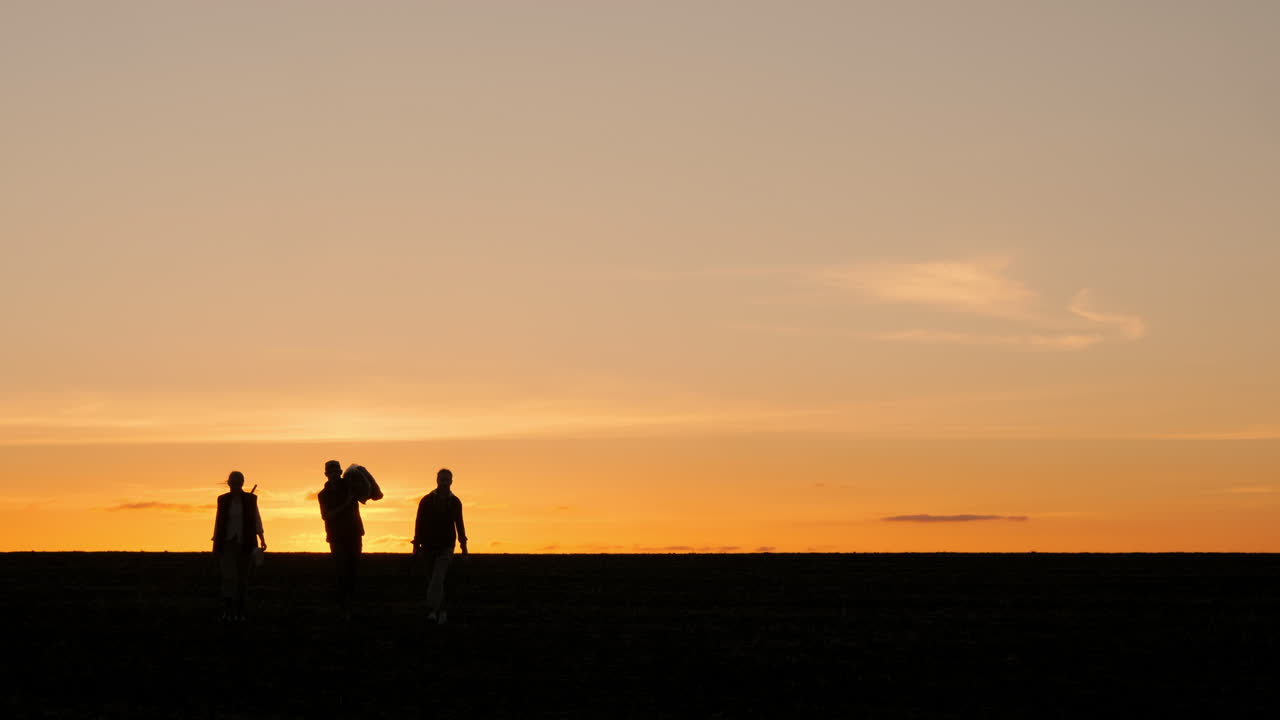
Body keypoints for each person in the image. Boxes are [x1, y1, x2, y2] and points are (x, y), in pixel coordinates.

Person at [413, 468, 468, 624]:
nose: (444, 482)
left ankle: (432, 611)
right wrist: (416, 545)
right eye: (442, 479)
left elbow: (460, 524)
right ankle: (441, 611)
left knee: (437, 577)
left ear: (451, 482)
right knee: (434, 580)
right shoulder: (426, 500)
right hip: (428, 546)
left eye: (447, 480)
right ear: (437, 480)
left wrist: (463, 546)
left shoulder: (455, 502)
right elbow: (419, 523)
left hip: (446, 546)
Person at [211, 471, 265, 621]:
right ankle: (228, 612)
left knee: (242, 579)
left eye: (238, 482)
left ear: (242, 483)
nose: (235, 485)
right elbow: (218, 521)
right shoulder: (222, 500)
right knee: (228, 579)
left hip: (245, 543)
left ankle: (240, 612)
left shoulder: (250, 500)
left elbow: (257, 519)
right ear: (229, 483)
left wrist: (261, 538)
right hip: (227, 544)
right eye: (233, 482)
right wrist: (215, 540)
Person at [317, 459, 365, 619]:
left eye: (336, 471)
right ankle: (344, 606)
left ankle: (351, 604)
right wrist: (346, 503)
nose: (334, 474)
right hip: (336, 537)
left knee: (354, 570)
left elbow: (372, 493)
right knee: (341, 571)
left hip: (354, 534)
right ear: (326, 474)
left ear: (340, 472)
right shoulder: (323, 495)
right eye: (330, 472)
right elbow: (326, 516)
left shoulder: (351, 486)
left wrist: (361, 472)